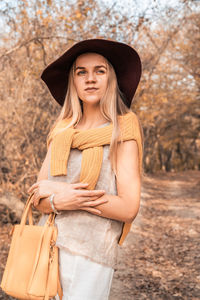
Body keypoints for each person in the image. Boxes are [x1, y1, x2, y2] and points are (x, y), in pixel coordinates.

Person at [28, 38, 143, 300]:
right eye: (82, 72)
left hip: (91, 254)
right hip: (47, 247)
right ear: (74, 81)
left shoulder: (123, 129)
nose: (90, 79)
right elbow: (38, 197)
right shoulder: (62, 131)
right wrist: (57, 201)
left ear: (110, 78)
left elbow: (128, 207)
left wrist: (66, 193)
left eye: (99, 71)